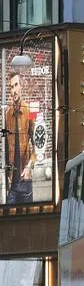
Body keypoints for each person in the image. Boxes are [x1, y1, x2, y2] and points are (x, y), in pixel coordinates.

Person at [3, 73, 36, 204]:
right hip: (12, 183)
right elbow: (6, 146)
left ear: (21, 86)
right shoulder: (7, 115)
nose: (14, 90)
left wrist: (29, 166)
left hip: (25, 180)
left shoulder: (31, 110)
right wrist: (7, 175)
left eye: (16, 85)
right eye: (11, 87)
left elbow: (37, 147)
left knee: (30, 220)